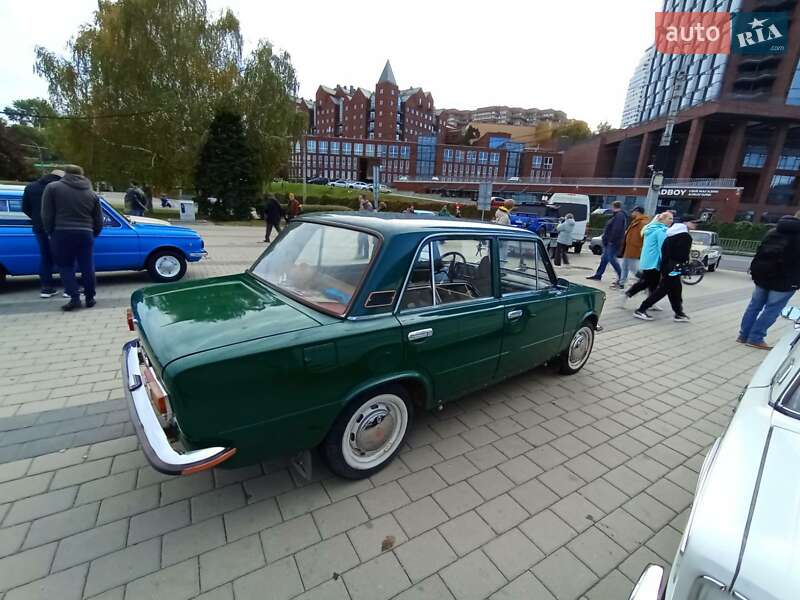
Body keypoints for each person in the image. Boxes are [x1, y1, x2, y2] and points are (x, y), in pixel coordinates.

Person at [41, 165, 103, 311]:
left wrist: (50, 231)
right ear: (82, 175)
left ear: (65, 173)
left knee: (65, 266)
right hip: (85, 233)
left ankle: (74, 298)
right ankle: (90, 298)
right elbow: (98, 219)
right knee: (87, 265)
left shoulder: (53, 188)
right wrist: (93, 233)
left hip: (61, 232)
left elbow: (47, 214)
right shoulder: (91, 193)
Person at [737, 214, 800, 349]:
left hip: (763, 275)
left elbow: (760, 251)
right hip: (785, 280)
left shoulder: (772, 231)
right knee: (772, 309)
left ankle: (743, 335)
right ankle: (755, 338)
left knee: (754, 306)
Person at [634, 219, 695, 322]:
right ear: (684, 223)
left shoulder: (670, 234)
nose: (695, 224)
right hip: (675, 268)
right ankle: (641, 309)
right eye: (693, 222)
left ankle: (679, 313)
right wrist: (686, 262)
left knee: (676, 290)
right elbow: (682, 255)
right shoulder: (685, 236)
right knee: (663, 290)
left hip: (667, 266)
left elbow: (664, 251)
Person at [22, 168, 65, 298]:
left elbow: (25, 208)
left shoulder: (30, 187)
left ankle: (46, 288)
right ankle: (69, 288)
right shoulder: (60, 188)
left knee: (45, 257)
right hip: (58, 227)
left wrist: (36, 218)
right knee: (64, 257)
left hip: (39, 228)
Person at [620, 211, 672, 308]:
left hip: (648, 259)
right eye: (669, 218)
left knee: (653, 282)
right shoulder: (662, 231)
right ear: (662, 219)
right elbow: (663, 248)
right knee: (646, 282)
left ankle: (651, 302)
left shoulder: (651, 228)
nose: (671, 221)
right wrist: (666, 262)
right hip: (654, 261)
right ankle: (627, 294)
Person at [587, 200, 626, 281]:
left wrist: (611, 240)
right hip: (610, 242)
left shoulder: (619, 216)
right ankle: (598, 275)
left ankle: (621, 277)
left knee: (612, 259)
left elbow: (616, 229)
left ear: (613, 207)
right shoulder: (617, 216)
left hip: (612, 242)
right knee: (604, 259)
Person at [615, 206, 648, 289]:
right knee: (625, 267)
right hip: (629, 249)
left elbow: (645, 236)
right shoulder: (635, 221)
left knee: (634, 269)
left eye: (633, 211)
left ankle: (646, 281)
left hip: (635, 249)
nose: (631, 213)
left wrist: (640, 247)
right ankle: (621, 283)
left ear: (637, 212)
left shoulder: (642, 223)